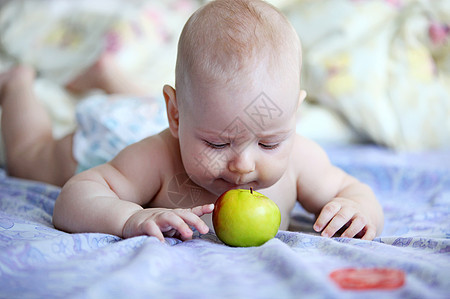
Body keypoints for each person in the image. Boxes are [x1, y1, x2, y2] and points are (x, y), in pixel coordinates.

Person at [47, 0, 383, 242]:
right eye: (217, 143)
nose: (243, 165)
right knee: (32, 157)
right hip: (109, 135)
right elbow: (73, 198)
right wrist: (129, 218)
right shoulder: (156, 159)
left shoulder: (302, 160)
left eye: (268, 143)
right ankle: (16, 85)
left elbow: (352, 190)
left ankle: (108, 77)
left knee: (161, 106)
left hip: (178, 113)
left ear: (294, 115)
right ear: (175, 116)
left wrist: (357, 209)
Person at [0, 54, 153, 187]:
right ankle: (16, 84)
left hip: (155, 116)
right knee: (31, 159)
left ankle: (106, 74)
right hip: (117, 146)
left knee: (150, 111)